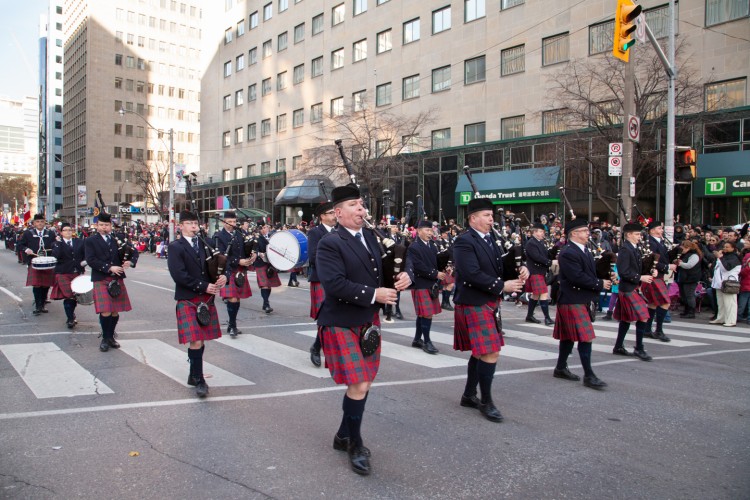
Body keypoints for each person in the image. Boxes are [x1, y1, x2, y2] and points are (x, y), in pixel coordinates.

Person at [316, 183, 412, 476]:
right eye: (354, 205)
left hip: (367, 321)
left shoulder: (371, 237)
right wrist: (374, 295)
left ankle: (343, 434)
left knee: (364, 383)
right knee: (358, 383)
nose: (362, 210)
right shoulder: (330, 243)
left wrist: (404, 276)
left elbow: (389, 267)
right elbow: (334, 284)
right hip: (342, 321)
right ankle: (354, 444)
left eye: (362, 205)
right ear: (338, 212)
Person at [453, 198, 527, 423]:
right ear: (472, 218)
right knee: (490, 351)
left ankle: (469, 395)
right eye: (486, 215)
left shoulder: (491, 240)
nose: (491, 219)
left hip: (488, 302)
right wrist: (501, 286)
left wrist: (520, 269)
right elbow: (471, 273)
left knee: (480, 352)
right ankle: (486, 401)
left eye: (491, 215)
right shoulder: (464, 241)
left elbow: (498, 269)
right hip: (474, 301)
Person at [168, 210, 227, 398]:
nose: (194, 227)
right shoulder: (175, 247)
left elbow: (222, 263)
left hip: (206, 299)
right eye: (189, 223)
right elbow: (179, 275)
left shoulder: (206, 243)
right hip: (188, 297)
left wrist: (224, 276)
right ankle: (199, 379)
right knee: (196, 339)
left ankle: (193, 374)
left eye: (195, 223)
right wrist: (204, 286)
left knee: (200, 339)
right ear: (181, 226)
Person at [552, 219, 611, 389]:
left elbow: (590, 272)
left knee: (568, 337)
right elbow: (576, 277)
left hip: (579, 298)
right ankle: (589, 375)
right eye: (585, 231)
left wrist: (606, 269)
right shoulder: (568, 252)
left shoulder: (584, 250)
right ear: (574, 234)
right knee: (585, 337)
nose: (588, 233)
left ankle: (560, 368)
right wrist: (599, 284)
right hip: (572, 299)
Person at [85, 211, 138, 352]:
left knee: (114, 311)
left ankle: (110, 337)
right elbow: (91, 260)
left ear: (111, 226)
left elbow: (134, 251)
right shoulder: (90, 241)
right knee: (105, 310)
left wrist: (130, 262)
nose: (104, 227)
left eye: (106, 225)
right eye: (101, 225)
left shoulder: (118, 238)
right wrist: (109, 267)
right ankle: (105, 338)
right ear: (97, 226)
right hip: (101, 278)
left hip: (117, 278)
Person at [612, 223, 655, 361]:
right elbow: (623, 272)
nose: (639, 236)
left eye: (639, 234)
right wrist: (640, 277)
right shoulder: (626, 250)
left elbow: (636, 268)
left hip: (631, 287)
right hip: (628, 288)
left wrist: (649, 271)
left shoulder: (634, 248)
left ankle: (618, 346)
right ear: (629, 234)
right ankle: (639, 348)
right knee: (643, 316)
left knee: (626, 319)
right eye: (637, 234)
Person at [406, 220, 445, 355]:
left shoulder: (433, 246)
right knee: (426, 314)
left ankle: (417, 339)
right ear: (418, 231)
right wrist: (435, 273)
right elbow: (418, 266)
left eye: (431, 230)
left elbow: (436, 263)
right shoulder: (413, 247)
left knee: (424, 313)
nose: (430, 233)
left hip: (431, 284)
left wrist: (444, 267)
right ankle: (427, 341)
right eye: (427, 230)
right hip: (420, 283)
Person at [215, 212, 254, 337]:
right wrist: (238, 261)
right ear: (224, 222)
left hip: (240, 270)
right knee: (232, 297)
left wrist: (252, 255)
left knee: (237, 298)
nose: (232, 224)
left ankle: (232, 324)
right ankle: (232, 325)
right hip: (228, 270)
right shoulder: (219, 236)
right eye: (230, 222)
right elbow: (221, 255)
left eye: (234, 221)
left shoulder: (239, 233)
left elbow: (248, 247)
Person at [307, 201, 336, 367]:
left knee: (335, 315)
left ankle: (317, 346)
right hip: (321, 278)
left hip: (338, 279)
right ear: (322, 216)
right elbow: (313, 257)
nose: (334, 216)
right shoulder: (315, 232)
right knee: (325, 316)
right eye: (331, 213)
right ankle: (317, 348)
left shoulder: (339, 231)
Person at [641, 221, 675, 342]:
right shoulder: (650, 242)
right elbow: (651, 260)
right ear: (652, 230)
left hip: (658, 276)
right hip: (654, 276)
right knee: (665, 302)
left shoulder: (660, 241)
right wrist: (667, 267)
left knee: (653, 303)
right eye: (659, 228)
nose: (662, 230)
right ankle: (659, 330)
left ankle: (647, 330)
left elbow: (664, 257)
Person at [18, 214, 58, 315]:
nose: (40, 223)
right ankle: (38, 305)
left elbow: (55, 245)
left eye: (41, 221)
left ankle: (43, 302)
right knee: (36, 284)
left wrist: (56, 244)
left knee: (46, 285)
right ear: (34, 223)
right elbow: (20, 245)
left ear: (44, 223)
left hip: (48, 263)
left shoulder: (50, 233)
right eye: (37, 222)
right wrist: (26, 249)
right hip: (34, 262)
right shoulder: (28, 233)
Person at [50, 223, 87, 328]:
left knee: (74, 297)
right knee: (68, 296)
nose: (68, 232)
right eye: (65, 230)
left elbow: (86, 254)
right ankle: (70, 319)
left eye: (70, 230)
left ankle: (71, 314)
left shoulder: (79, 242)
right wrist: (58, 243)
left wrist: (85, 262)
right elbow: (56, 256)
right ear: (61, 232)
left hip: (77, 272)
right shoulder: (56, 244)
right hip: (63, 273)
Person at [524, 223, 554, 325]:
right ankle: (547, 318)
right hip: (535, 271)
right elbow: (536, 257)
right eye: (541, 231)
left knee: (536, 295)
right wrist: (549, 262)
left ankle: (529, 316)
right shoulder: (531, 243)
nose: (542, 234)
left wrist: (553, 249)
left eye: (543, 232)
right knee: (543, 293)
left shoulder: (540, 242)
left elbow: (546, 255)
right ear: (535, 232)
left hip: (540, 271)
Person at [710, 241, 742, 327]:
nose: (725, 248)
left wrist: (720, 257)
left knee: (730, 303)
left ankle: (731, 320)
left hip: (729, 283)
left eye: (727, 247)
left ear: (733, 248)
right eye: (724, 247)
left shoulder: (734, 257)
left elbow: (726, 268)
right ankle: (721, 318)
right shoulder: (724, 256)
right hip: (720, 283)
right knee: (721, 303)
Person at [255, 221, 281, 313]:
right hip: (260, 263)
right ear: (261, 228)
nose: (267, 228)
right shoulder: (256, 237)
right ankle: (266, 304)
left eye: (267, 227)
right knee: (265, 284)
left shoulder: (271, 237)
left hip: (270, 264)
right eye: (265, 227)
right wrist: (259, 253)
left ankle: (265, 303)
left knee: (269, 285)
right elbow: (252, 250)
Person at [675, 239, 703, 319]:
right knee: (684, 295)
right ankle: (686, 310)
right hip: (684, 278)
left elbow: (689, 265)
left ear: (687, 248)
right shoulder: (686, 255)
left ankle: (691, 312)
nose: (681, 250)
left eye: (682, 249)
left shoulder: (694, 255)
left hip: (691, 278)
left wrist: (680, 263)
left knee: (689, 295)